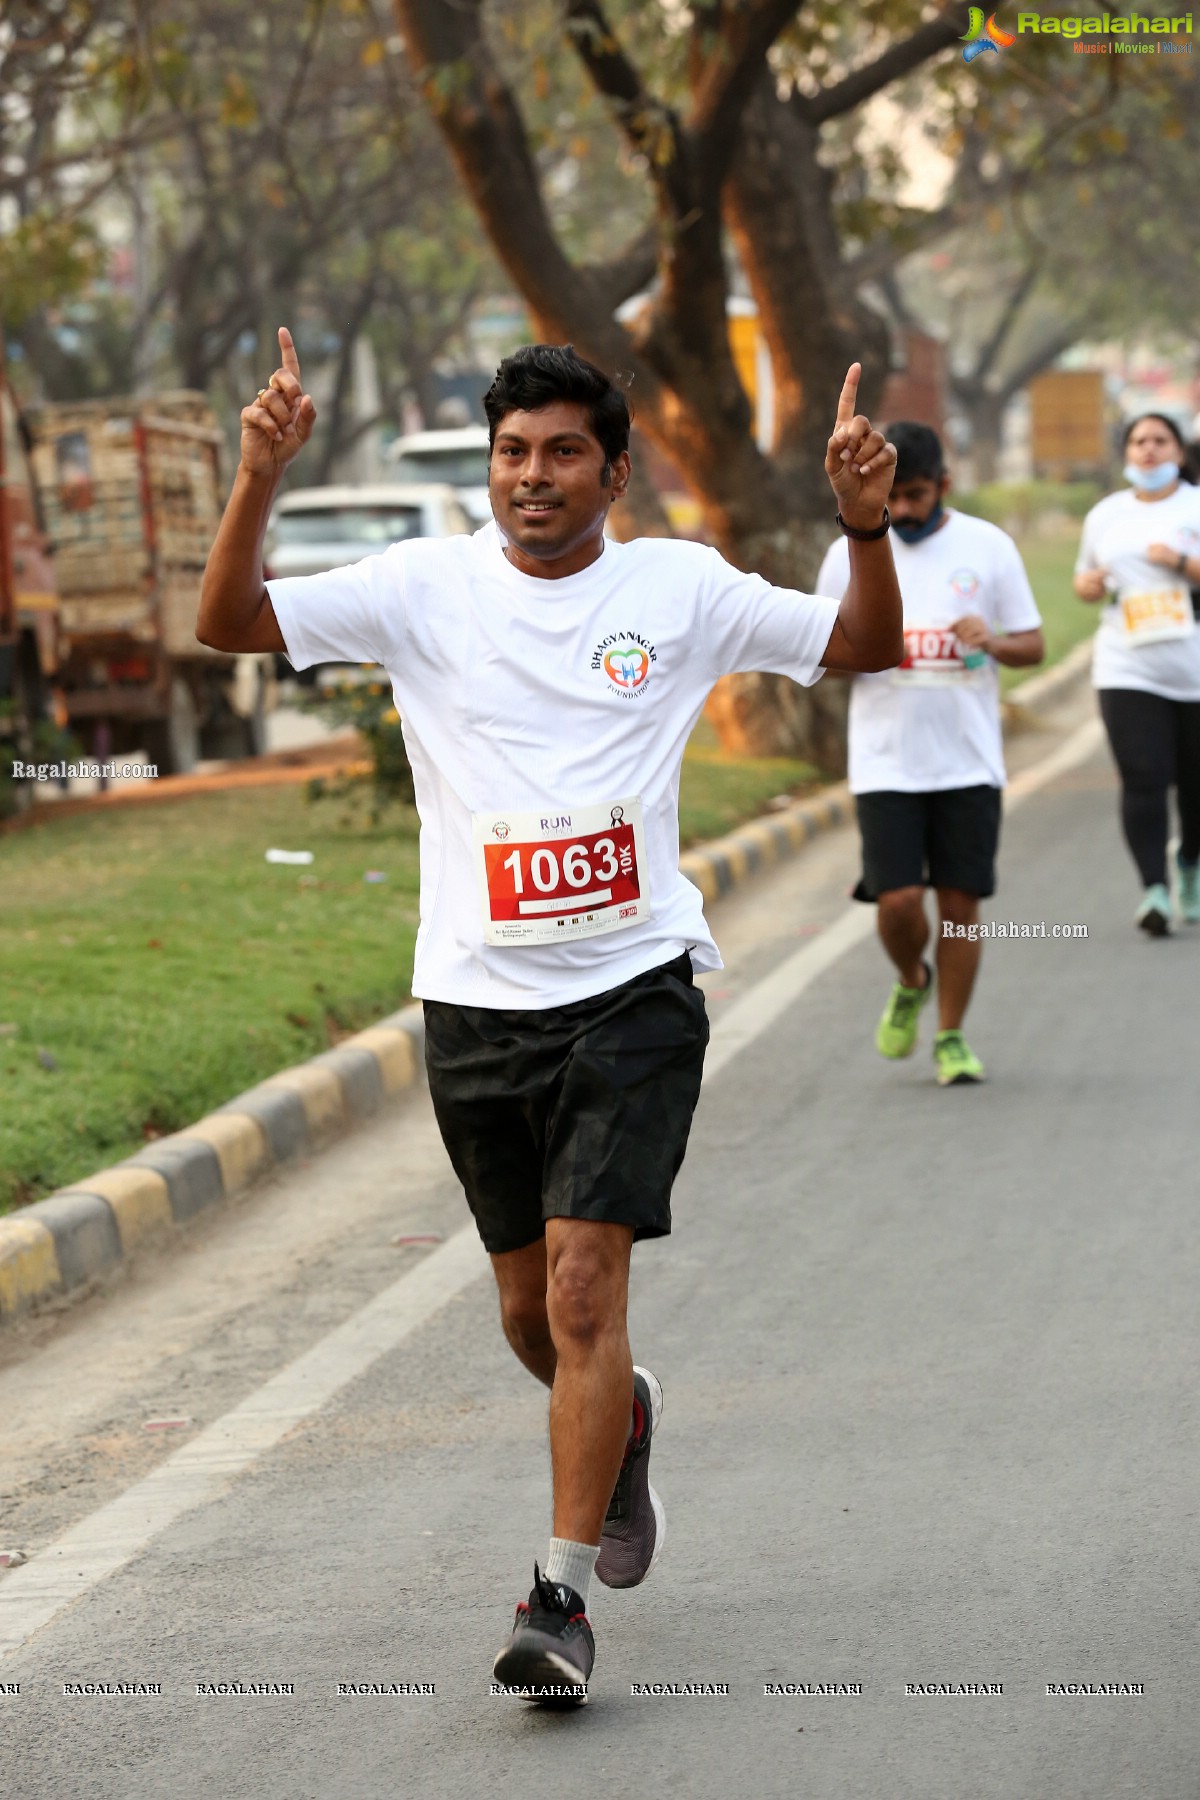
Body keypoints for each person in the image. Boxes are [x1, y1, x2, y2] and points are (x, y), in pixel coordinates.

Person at [197, 328, 902, 1702]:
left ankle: (558, 1598)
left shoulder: (678, 589)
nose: (534, 475)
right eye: (512, 453)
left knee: (585, 1286)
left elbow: (865, 643)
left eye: (564, 451)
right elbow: (230, 625)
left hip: (634, 987)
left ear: (614, 470)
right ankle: (620, 1422)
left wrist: (860, 528)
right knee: (532, 1318)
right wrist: (257, 475)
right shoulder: (420, 588)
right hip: (474, 1004)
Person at [816, 422, 1044, 1086]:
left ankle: (950, 1035)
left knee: (963, 907)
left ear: (943, 484)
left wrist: (995, 642)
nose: (906, 510)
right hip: (886, 761)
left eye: (917, 495)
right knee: (897, 904)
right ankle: (912, 977)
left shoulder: (989, 547)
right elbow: (819, 653)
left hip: (969, 762)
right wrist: (868, 650)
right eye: (897, 498)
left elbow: (1033, 645)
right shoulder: (848, 553)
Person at [1073, 413, 1200, 936]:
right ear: (1126, 453)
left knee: (1193, 787)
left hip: (1192, 667)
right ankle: (1154, 890)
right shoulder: (1106, 514)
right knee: (1143, 777)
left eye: (1159, 440)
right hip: (1127, 663)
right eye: (1138, 441)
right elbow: (1084, 579)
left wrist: (1181, 562)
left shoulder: (1194, 505)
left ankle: (1189, 862)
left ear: (1179, 452)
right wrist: (1090, 584)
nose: (1148, 450)